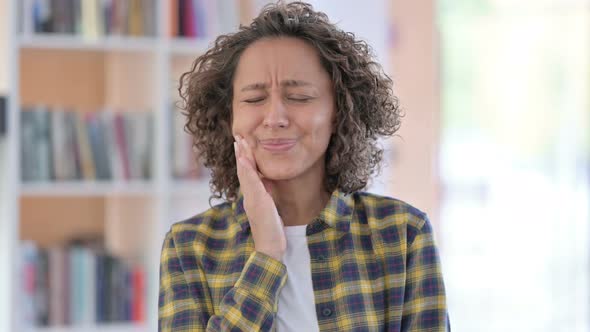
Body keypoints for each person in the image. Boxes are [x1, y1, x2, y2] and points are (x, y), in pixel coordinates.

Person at [159, 1, 449, 331]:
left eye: (299, 97)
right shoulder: (190, 246)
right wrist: (267, 254)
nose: (275, 118)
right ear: (228, 117)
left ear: (340, 111)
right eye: (254, 99)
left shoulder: (403, 234)